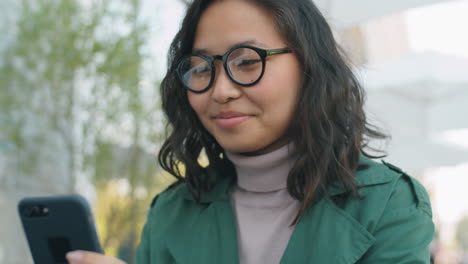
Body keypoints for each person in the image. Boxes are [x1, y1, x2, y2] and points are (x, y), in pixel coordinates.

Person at [66, 0, 435, 263]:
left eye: (246, 62)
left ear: (310, 66)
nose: (220, 90)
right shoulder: (172, 212)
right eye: (200, 68)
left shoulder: (389, 204)